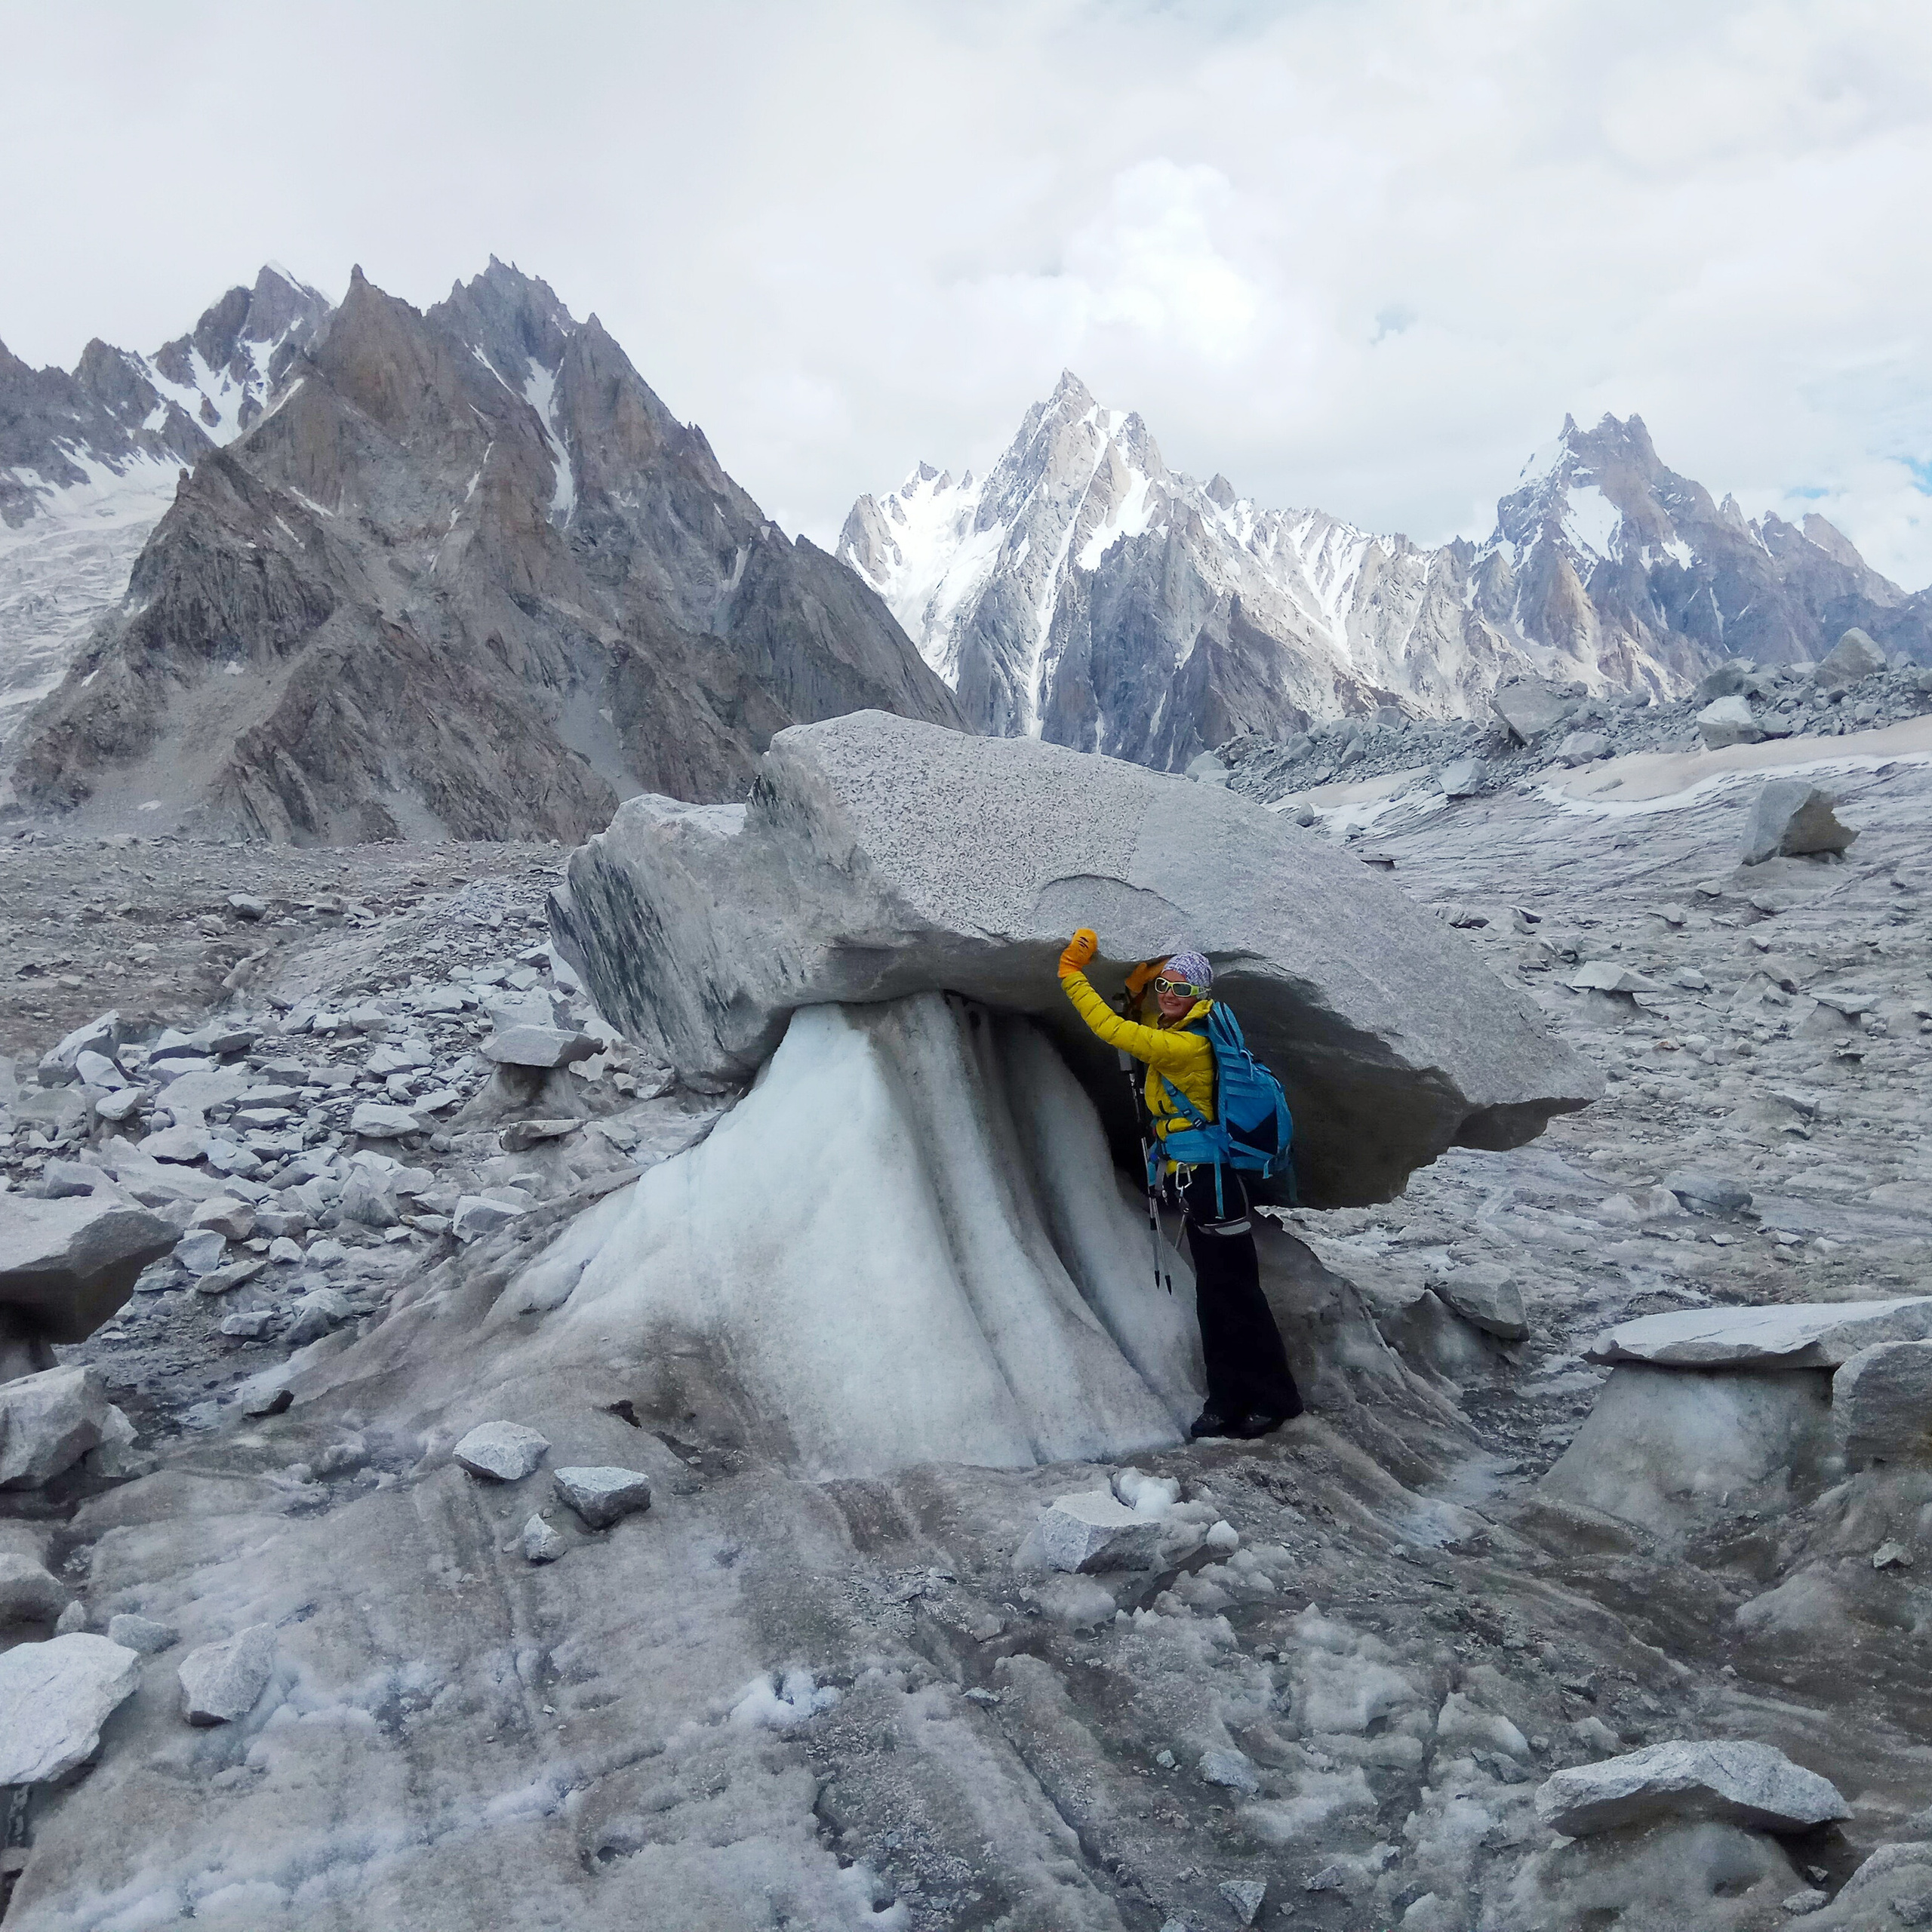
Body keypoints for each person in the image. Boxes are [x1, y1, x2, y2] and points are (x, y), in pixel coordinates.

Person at [1057, 928, 1303, 1441]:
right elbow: (1148, 1024)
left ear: (1200, 997)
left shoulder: (1188, 1048)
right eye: (1166, 984)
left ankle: (1271, 1399)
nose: (1170, 994)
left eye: (1182, 989)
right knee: (1219, 1295)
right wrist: (1140, 989)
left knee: (1234, 1296)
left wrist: (1072, 977)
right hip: (1199, 1184)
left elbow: (1120, 1034)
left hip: (1212, 1186)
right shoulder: (1190, 1029)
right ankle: (1230, 1399)